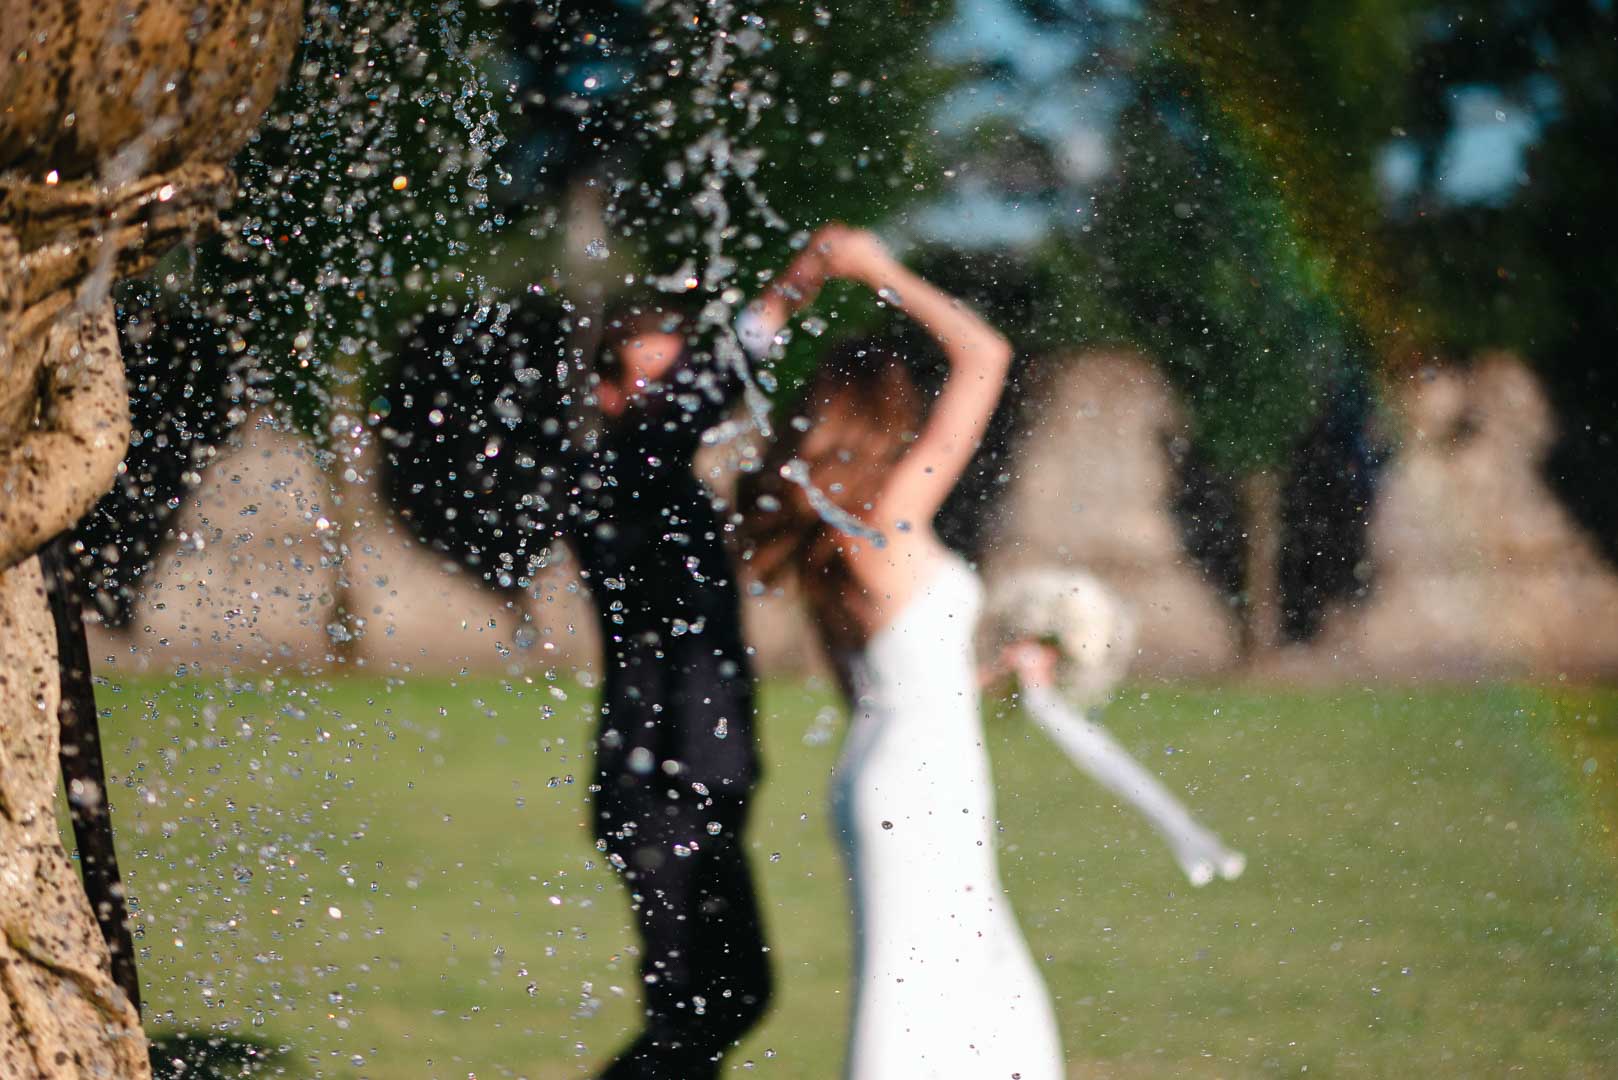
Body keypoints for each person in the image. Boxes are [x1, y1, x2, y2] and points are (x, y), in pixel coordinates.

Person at [738, 225, 1065, 1079]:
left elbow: (883, 691)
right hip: (924, 788)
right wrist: (881, 273)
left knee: (967, 1002)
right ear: (890, 421)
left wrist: (992, 677)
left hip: (895, 773)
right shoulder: (891, 518)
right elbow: (984, 355)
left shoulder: (830, 542)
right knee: (933, 1014)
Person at [565, 298, 775, 1078]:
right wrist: (773, 312)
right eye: (656, 382)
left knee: (730, 996)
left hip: (699, 777)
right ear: (607, 392)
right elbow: (678, 420)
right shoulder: (614, 475)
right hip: (657, 784)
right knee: (695, 1007)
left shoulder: (665, 482)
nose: (675, 398)